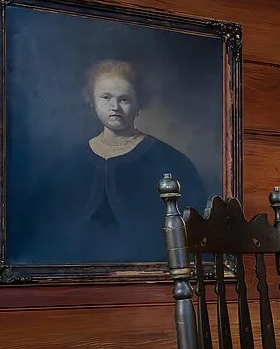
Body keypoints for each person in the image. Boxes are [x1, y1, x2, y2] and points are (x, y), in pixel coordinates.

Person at [40, 59, 207, 263]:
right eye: (106, 97)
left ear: (138, 103)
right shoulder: (70, 162)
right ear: (92, 101)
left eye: (124, 99)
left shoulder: (170, 161)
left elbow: (193, 234)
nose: (115, 107)